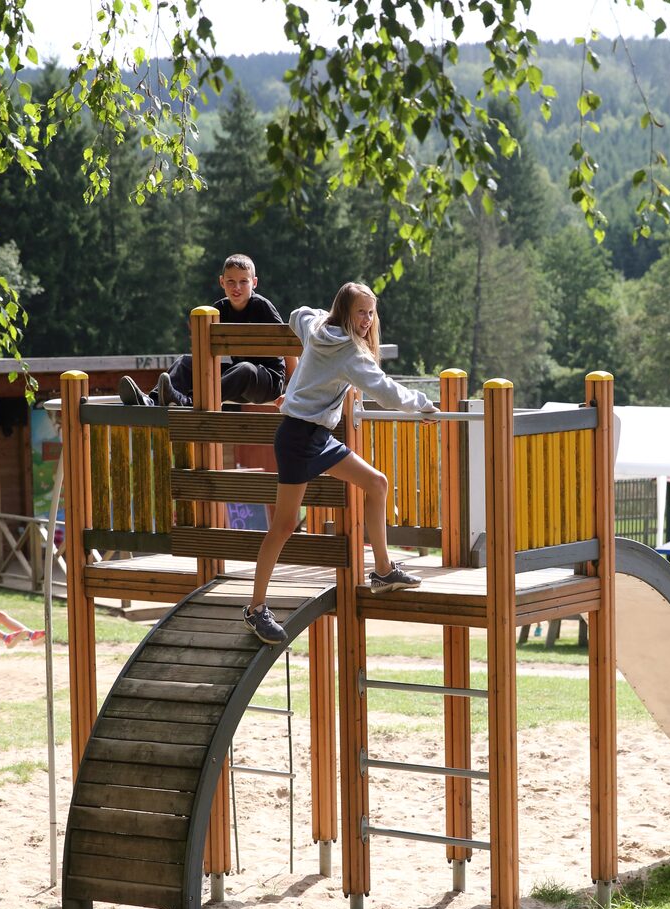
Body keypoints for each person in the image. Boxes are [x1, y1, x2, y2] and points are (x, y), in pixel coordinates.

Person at [243, 282, 438, 644]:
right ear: (345, 312)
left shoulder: (316, 326)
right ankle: (256, 609)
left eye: (370, 313)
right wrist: (423, 405)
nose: (366, 320)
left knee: (377, 483)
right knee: (284, 526)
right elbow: (385, 390)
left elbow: (295, 314)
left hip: (318, 437)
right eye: (360, 312)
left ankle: (382, 570)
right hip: (298, 439)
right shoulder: (349, 352)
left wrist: (301, 386)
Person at [118, 253, 287, 408]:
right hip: (236, 382)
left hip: (267, 383)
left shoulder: (262, 307)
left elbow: (288, 347)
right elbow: (206, 354)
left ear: (254, 282)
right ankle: (152, 400)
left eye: (244, 281)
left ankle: (188, 402)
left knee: (246, 369)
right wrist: (199, 371)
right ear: (222, 282)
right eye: (230, 281)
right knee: (186, 361)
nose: (237, 287)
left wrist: (292, 391)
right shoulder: (219, 309)